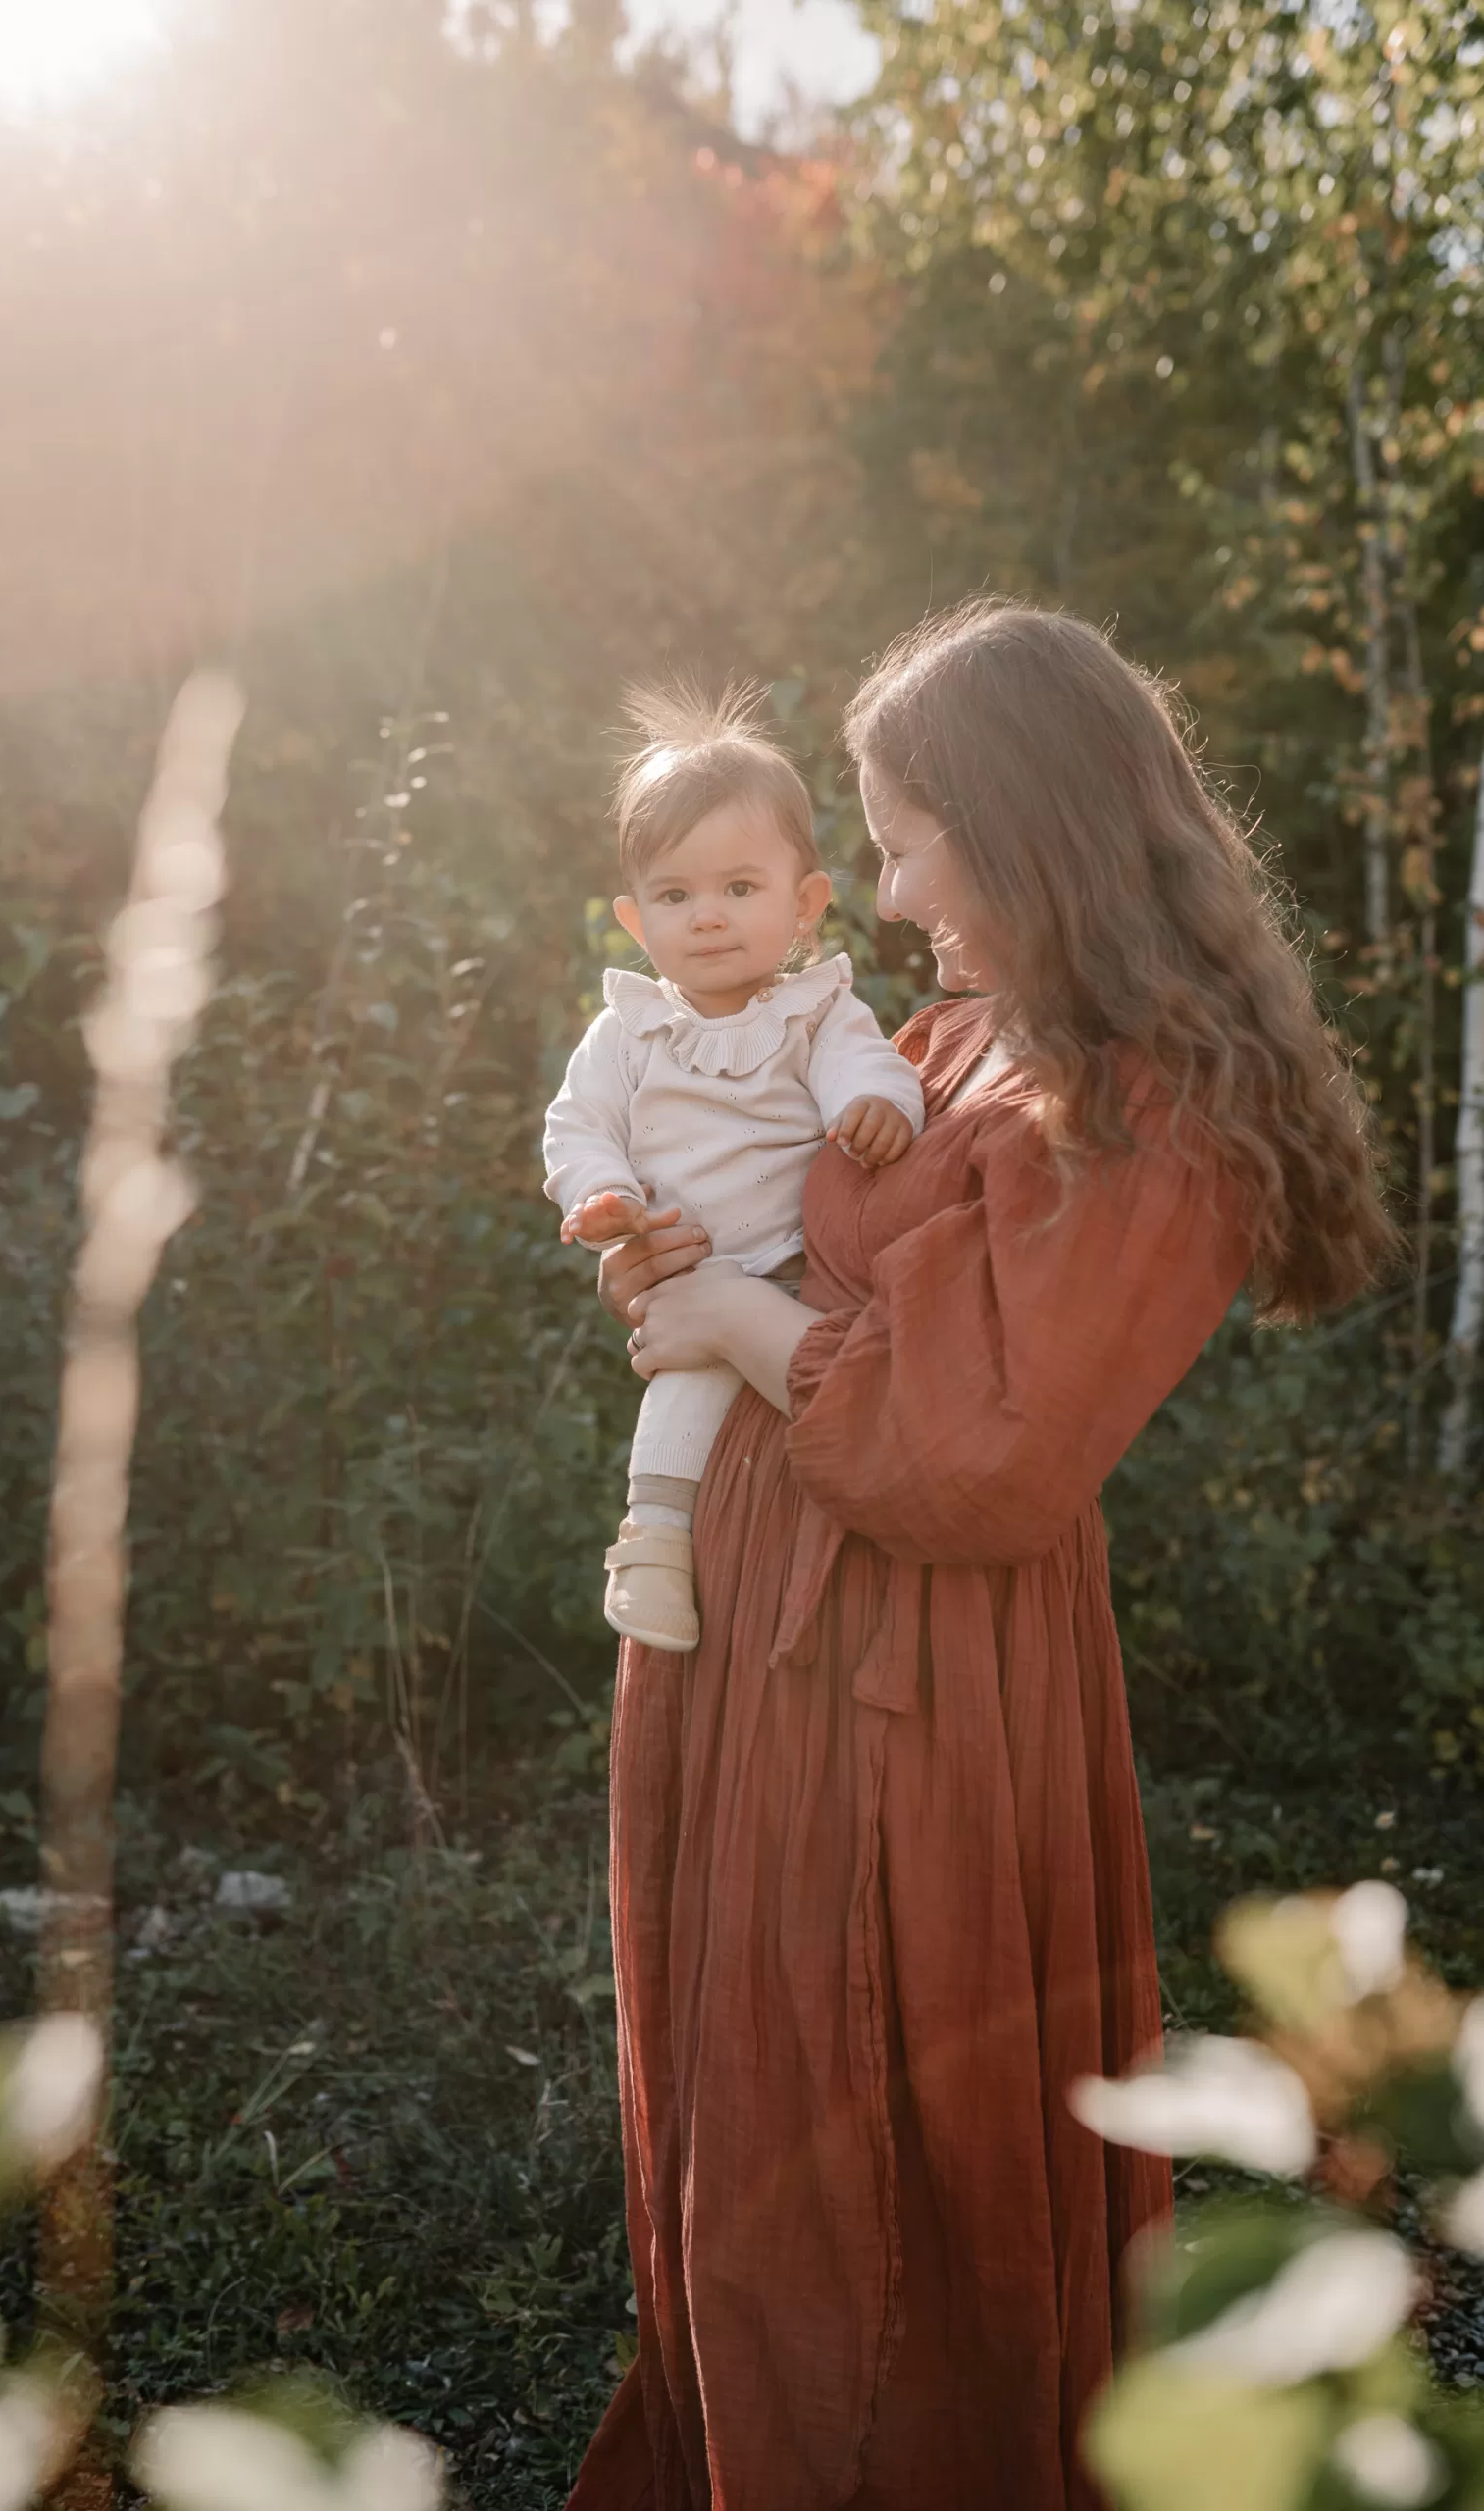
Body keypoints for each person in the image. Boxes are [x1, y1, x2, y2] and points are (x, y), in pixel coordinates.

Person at [565, 602, 1398, 2511]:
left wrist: (742, 1339)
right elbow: (743, 1183)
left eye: (908, 832)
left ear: (1021, 829)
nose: (884, 881)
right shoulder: (939, 1039)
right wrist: (661, 1242)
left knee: (867, 2147)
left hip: (919, 1687)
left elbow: (980, 1460)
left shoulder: (1146, 1108)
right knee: (748, 2105)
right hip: (763, 1631)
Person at [543, 684, 923, 1654]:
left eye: (740, 889)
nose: (707, 917)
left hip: (812, 1278)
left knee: (818, 1438)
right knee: (685, 1393)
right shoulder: (628, 1032)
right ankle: (654, 1544)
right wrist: (602, 1193)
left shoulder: (818, 1012)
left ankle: (818, 1589)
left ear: (804, 905)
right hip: (699, 1273)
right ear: (635, 918)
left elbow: (868, 1068)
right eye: (676, 895)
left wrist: (874, 1108)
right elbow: (578, 1125)